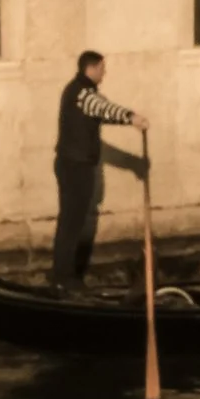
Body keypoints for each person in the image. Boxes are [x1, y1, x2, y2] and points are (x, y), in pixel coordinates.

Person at [50, 51, 146, 287]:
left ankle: (62, 275)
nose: (104, 73)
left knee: (70, 221)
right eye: (102, 68)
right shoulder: (83, 94)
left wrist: (133, 163)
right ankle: (64, 278)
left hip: (72, 164)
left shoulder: (77, 90)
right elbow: (103, 109)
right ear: (90, 69)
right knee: (72, 223)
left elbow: (100, 109)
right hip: (75, 168)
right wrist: (131, 118)